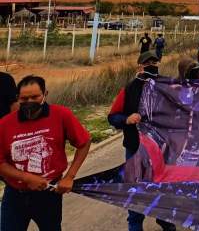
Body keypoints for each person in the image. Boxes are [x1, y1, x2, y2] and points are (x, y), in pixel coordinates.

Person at [0, 75, 91, 231]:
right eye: (24, 98)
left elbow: (84, 142)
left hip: (49, 195)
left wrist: (70, 176)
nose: (29, 102)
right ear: (17, 98)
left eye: (35, 97)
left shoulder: (61, 115)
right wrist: (26, 177)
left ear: (45, 94)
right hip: (15, 195)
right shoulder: (5, 124)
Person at [108, 52, 177, 231]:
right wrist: (126, 119)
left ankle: (165, 220)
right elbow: (113, 117)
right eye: (147, 63)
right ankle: (135, 225)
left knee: (162, 190)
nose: (152, 65)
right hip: (136, 149)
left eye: (155, 61)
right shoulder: (129, 89)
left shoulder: (167, 86)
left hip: (163, 151)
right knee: (136, 190)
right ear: (139, 66)